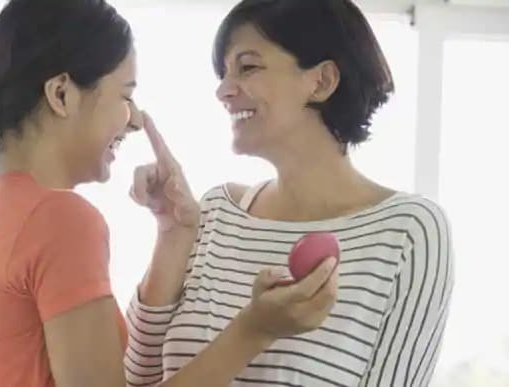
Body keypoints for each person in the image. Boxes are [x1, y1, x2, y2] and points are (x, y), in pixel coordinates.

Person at [0, 1, 339, 386]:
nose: (137, 119)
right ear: (62, 94)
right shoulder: (61, 219)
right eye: (125, 95)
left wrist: (172, 233)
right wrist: (256, 329)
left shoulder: (6, 209)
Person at [125, 0, 454, 386]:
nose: (222, 91)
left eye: (247, 67)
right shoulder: (215, 212)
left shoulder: (409, 232)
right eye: (223, 73)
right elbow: (137, 379)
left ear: (322, 81)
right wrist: (170, 235)